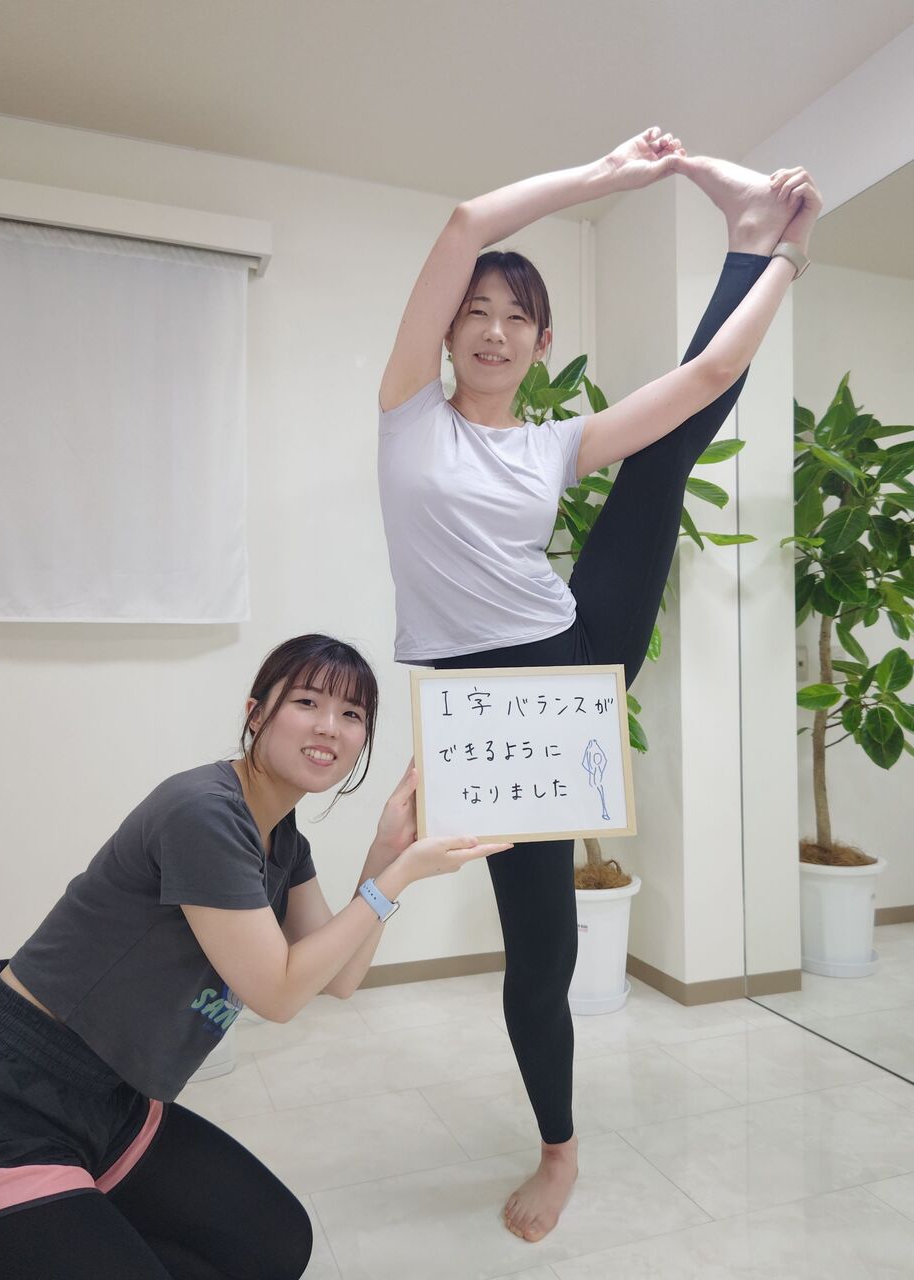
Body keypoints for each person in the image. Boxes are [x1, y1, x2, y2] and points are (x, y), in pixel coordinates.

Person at [377, 128, 821, 1242]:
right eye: (476, 310)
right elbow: (464, 221)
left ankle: (747, 236)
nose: (492, 328)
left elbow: (708, 378)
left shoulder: (554, 442)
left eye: (517, 317)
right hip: (479, 707)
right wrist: (616, 175)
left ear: (540, 344)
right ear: (448, 330)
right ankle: (561, 1139)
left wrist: (784, 267)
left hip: (572, 654)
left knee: (664, 453)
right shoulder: (403, 416)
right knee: (535, 939)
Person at [0, 633, 511, 1279]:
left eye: (353, 714)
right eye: (307, 701)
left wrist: (387, 854)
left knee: (272, 1242)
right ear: (256, 713)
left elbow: (341, 978)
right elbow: (278, 994)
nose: (330, 726)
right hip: (5, 1094)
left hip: (116, 1098)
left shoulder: (283, 839)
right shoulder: (203, 812)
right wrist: (396, 880)